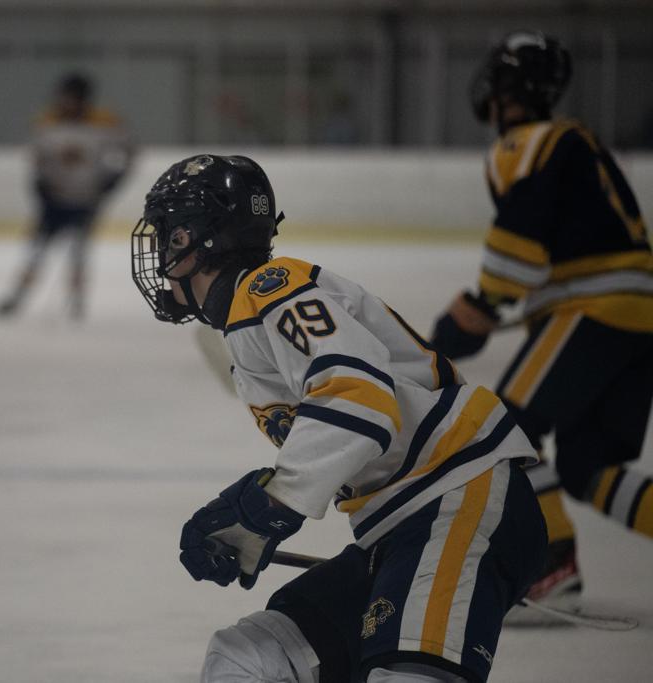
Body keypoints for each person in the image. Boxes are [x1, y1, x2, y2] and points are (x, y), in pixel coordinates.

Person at [131, 154, 547, 683]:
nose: (163, 256)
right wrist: (245, 529)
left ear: (201, 240)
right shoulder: (248, 324)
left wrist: (270, 505)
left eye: (169, 237)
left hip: (459, 496)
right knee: (245, 659)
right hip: (399, 525)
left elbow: (359, 397)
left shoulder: (271, 288)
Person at [429, 31, 653, 612]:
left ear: (505, 88)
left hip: (594, 310)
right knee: (587, 466)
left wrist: (481, 306)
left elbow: (521, 239)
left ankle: (554, 564)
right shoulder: (577, 141)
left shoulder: (529, 141)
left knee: (505, 429)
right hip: (636, 316)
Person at [0, 72, 132, 320]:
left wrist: (112, 180)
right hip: (54, 200)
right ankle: (19, 296)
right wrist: (40, 184)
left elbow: (129, 151)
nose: (66, 102)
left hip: (86, 198)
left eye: (72, 97)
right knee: (36, 251)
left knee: (78, 252)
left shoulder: (104, 122)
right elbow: (38, 159)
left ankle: (76, 302)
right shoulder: (47, 121)